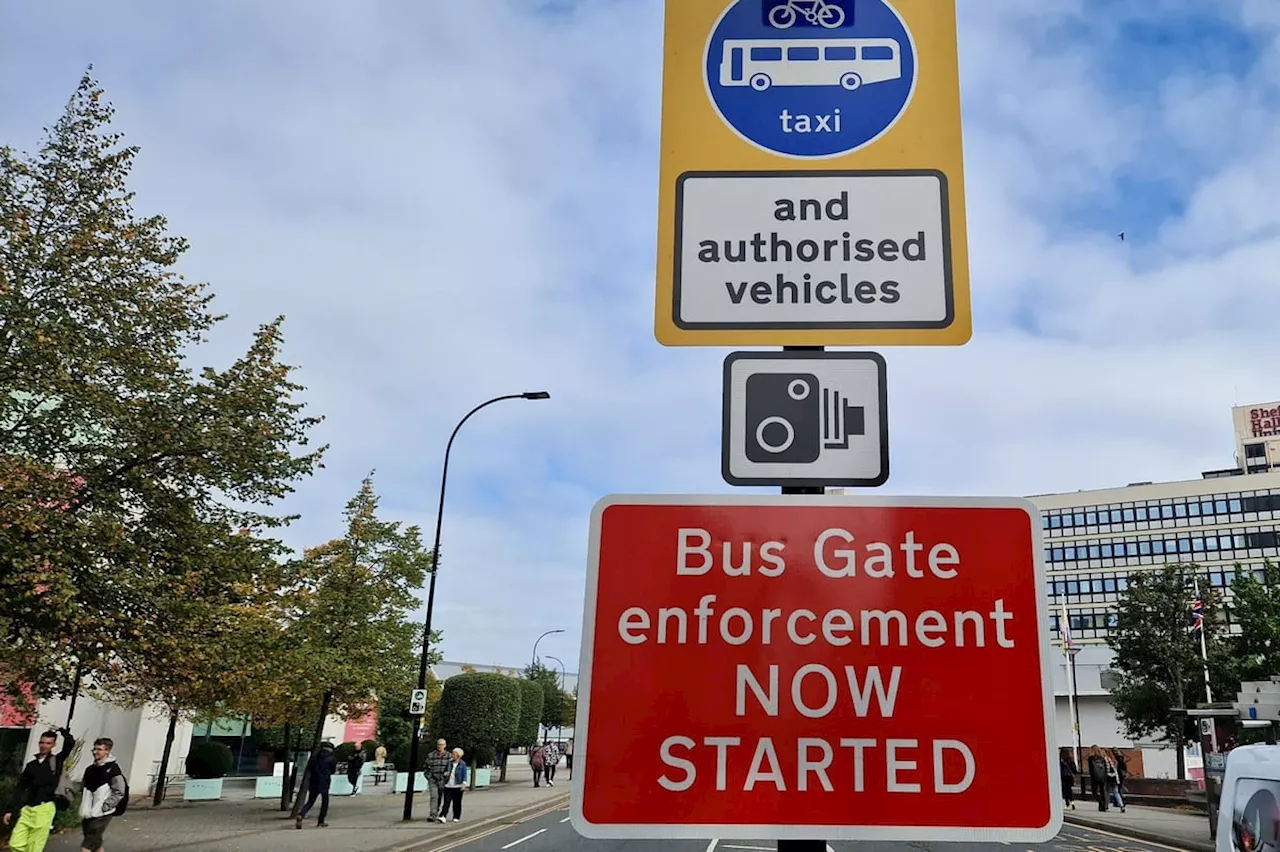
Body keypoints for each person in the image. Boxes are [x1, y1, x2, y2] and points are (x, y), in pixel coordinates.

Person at [2, 727, 74, 852]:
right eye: (42, 742)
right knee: (15, 843)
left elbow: (70, 744)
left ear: (53, 745)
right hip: (28, 808)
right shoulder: (31, 765)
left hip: (45, 808)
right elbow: (20, 788)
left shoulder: (56, 761)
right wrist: (10, 810)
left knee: (35, 847)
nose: (44, 746)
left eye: (48, 743)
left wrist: (62, 731)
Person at [77, 737, 127, 852]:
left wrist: (106, 806)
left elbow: (120, 790)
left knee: (86, 846)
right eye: (94, 749)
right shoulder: (90, 769)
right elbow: (83, 787)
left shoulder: (113, 770)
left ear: (107, 751)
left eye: (99, 749)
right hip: (88, 811)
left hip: (102, 813)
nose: (95, 752)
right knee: (96, 843)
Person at [295, 743, 336, 829]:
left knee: (310, 801)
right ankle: (321, 821)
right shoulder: (331, 758)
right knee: (325, 802)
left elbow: (310, 768)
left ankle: (301, 814)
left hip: (314, 781)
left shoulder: (314, 757)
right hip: (324, 781)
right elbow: (333, 771)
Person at [424, 739, 451, 823]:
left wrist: (448, 777)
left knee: (440, 797)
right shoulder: (431, 755)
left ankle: (438, 811)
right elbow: (426, 767)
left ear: (445, 746)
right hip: (433, 779)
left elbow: (451, 768)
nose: (440, 746)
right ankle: (433, 814)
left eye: (442, 745)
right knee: (434, 797)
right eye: (439, 744)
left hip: (443, 780)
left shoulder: (449, 756)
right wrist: (429, 777)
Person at [438, 748, 467, 823]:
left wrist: (464, 784)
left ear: (458, 755)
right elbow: (444, 771)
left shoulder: (462, 764)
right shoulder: (449, 762)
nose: (452, 755)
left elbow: (464, 774)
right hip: (448, 785)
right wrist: (445, 774)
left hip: (457, 786)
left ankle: (456, 816)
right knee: (446, 802)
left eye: (454, 754)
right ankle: (443, 816)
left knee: (457, 803)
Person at [1087, 746, 1108, 812]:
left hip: (1094, 777)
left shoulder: (1091, 758)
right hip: (1103, 776)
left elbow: (1090, 768)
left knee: (1094, 791)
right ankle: (1104, 805)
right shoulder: (1102, 758)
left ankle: (1100, 802)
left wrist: (1091, 775)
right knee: (1102, 791)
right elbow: (1106, 768)